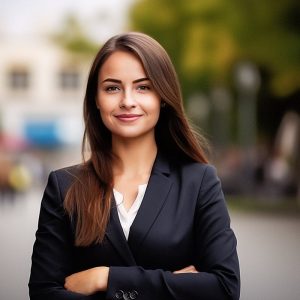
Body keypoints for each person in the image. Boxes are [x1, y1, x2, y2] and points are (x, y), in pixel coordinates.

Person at [29, 32, 240, 300]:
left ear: (162, 96)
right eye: (112, 88)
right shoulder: (64, 185)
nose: (127, 101)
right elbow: (44, 292)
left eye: (143, 87)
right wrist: (174, 287)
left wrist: (105, 277)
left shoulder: (199, 181)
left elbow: (224, 289)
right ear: (96, 98)